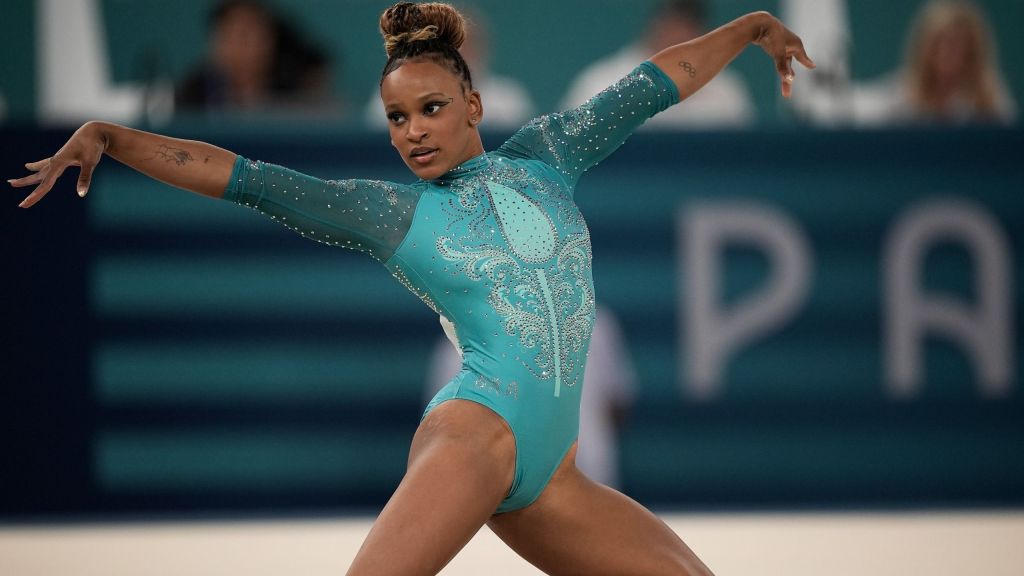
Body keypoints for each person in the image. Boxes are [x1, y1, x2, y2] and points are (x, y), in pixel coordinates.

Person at [10, 2, 813, 573]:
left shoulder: (546, 155)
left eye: (430, 109)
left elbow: (651, 85)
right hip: (475, 435)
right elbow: (249, 178)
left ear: (473, 102)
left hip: (555, 474)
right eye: (397, 119)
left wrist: (748, 31)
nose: (414, 132)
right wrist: (114, 137)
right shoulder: (391, 214)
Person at [425, 306, 636, 488]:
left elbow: (618, 403)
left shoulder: (596, 325)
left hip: (584, 475)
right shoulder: (456, 347)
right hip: (500, 489)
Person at [560, 0, 756, 129]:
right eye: (672, 24)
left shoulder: (727, 92)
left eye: (688, 26)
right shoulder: (600, 83)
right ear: (656, 25)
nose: (678, 35)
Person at [363, 3, 534, 129]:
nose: (461, 54)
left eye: (469, 45)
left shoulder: (508, 98)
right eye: (453, 46)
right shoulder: (394, 90)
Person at [852, 0, 1016, 126]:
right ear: (925, 48)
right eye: (941, 43)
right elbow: (860, 106)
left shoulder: (991, 98)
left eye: (958, 45)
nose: (949, 53)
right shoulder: (902, 94)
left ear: (973, 51)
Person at [175, 0, 338, 115]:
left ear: (269, 42)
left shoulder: (294, 85)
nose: (239, 47)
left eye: (248, 36)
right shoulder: (194, 91)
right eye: (230, 36)